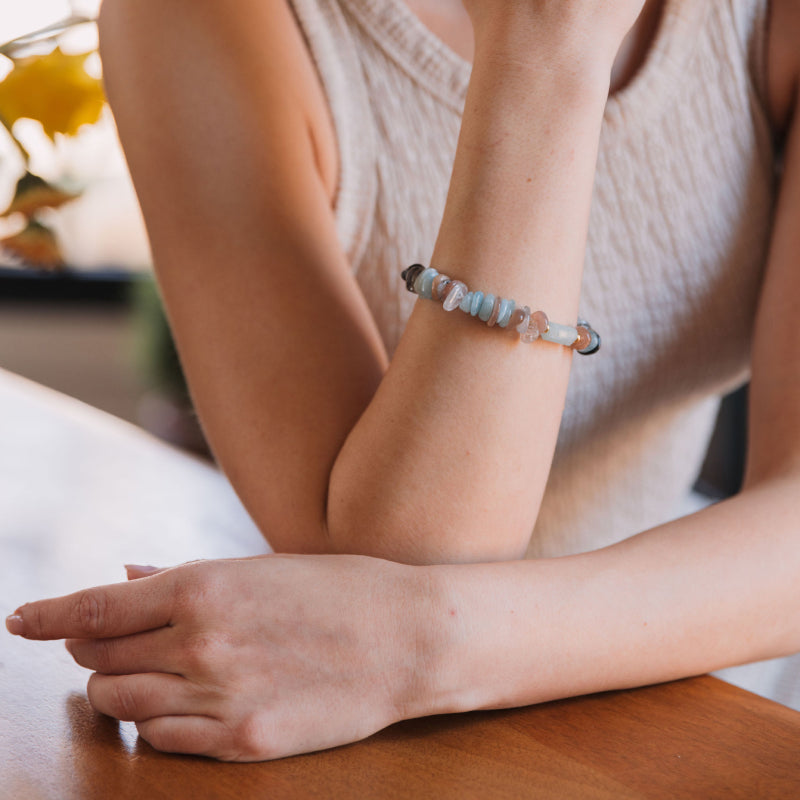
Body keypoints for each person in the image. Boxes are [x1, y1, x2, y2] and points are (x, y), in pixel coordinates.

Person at [6, 0, 800, 762]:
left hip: (706, 718)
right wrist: (547, 50)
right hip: (394, 751)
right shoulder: (203, 16)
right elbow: (403, 563)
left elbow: (386, 621)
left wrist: (429, 638)